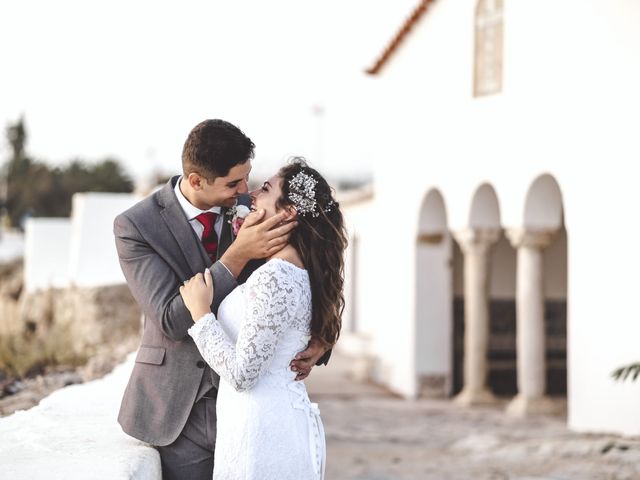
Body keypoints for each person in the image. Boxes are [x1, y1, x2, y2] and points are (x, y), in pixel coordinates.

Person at [114, 120, 330, 480]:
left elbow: (316, 262)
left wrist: (324, 333)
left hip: (253, 408)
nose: (244, 190)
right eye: (233, 183)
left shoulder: (258, 208)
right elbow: (169, 318)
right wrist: (237, 257)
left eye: (246, 177)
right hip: (179, 412)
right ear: (197, 180)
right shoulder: (136, 227)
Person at [180, 159, 347, 480]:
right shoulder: (295, 270)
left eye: (266, 189)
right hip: (262, 421)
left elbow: (243, 375)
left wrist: (201, 315)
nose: (252, 195)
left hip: (262, 429)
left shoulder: (275, 276)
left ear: (289, 213)